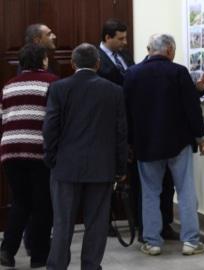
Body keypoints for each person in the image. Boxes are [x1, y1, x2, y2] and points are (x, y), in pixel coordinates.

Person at [43, 43, 128, 270]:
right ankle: (91, 266)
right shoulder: (114, 91)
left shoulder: (59, 88)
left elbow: (50, 128)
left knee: (62, 223)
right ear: (98, 64)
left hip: (65, 166)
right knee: (97, 224)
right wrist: (121, 167)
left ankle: (57, 266)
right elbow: (121, 133)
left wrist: (51, 158)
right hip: (102, 167)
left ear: (72, 64)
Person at [123, 33, 204, 256]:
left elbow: (126, 113)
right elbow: (192, 108)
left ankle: (152, 242)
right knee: (186, 190)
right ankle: (191, 241)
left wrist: (129, 143)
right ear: (170, 50)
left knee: (150, 192)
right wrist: (201, 137)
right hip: (178, 143)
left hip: (145, 144)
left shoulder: (132, 74)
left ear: (150, 49)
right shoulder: (178, 72)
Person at [0, 44, 57, 269]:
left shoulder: (9, 85)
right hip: (38, 149)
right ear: (43, 60)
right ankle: (39, 257)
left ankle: (7, 250)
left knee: (20, 201)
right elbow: (55, 119)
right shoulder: (52, 83)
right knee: (43, 204)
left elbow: (3, 116)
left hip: (10, 149)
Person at [97, 18, 134, 86]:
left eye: (125, 38)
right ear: (108, 37)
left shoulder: (126, 54)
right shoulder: (95, 57)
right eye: (121, 39)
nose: (125, 42)